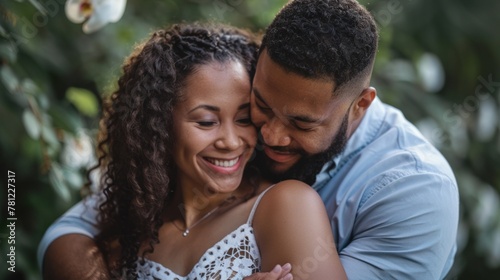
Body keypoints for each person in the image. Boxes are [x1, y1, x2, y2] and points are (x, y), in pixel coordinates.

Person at [39, 0, 459, 279]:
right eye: (259, 105)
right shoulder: (173, 176)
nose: (269, 136)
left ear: (360, 105)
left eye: (301, 123)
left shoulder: (413, 190)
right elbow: (70, 231)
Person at [39, 22, 347, 279]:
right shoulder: (129, 233)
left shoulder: (286, 206)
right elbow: (62, 240)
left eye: (243, 118)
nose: (231, 140)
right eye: (207, 121)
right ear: (159, 127)